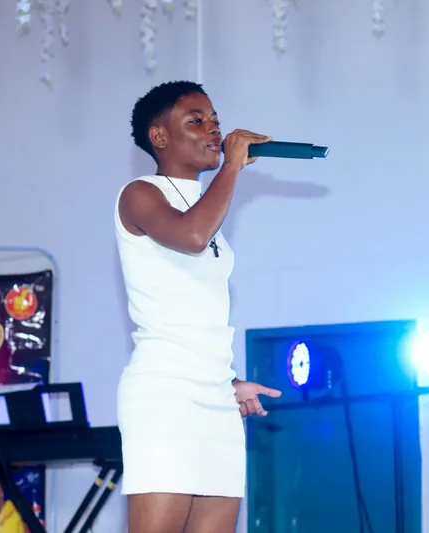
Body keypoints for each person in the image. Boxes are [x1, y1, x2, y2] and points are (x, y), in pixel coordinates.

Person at [115, 80, 283, 533]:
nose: (213, 129)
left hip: (216, 398)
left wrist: (228, 381)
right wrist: (231, 166)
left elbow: (193, 306)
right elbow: (191, 236)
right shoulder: (140, 193)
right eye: (196, 120)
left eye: (215, 121)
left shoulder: (204, 205)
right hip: (164, 394)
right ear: (160, 136)